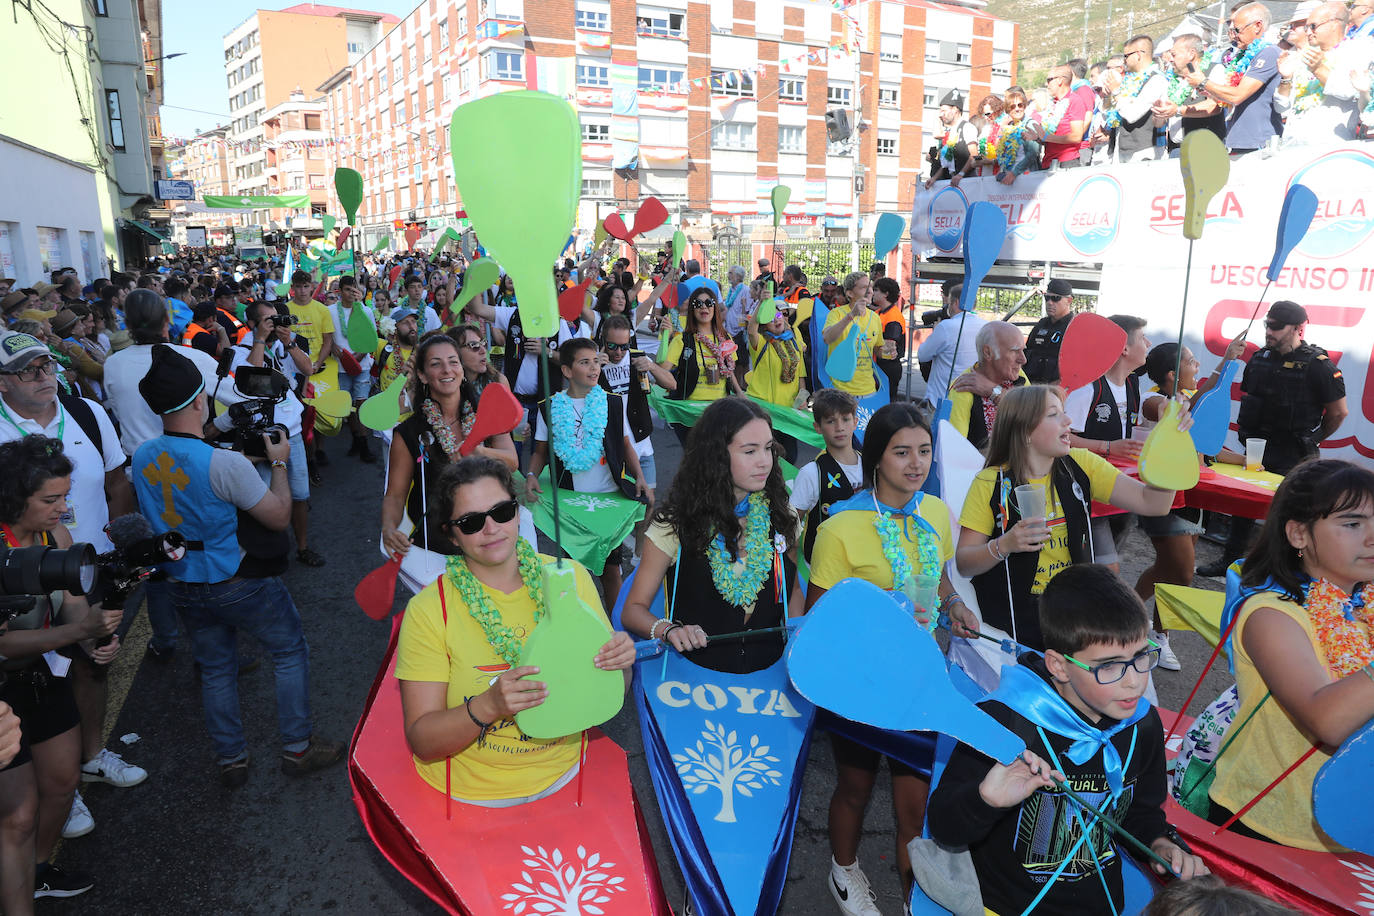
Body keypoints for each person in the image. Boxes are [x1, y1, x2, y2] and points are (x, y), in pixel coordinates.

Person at [928, 564, 1209, 914]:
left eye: (1140, 657)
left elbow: (1140, 812)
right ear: (1059, 666)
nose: (1135, 681)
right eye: (1110, 666)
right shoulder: (1007, 721)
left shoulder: (1141, 724)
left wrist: (1160, 843)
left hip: (1100, 905)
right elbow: (944, 827)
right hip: (1004, 907)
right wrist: (987, 798)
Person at [130, 345, 344, 787]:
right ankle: (297, 749)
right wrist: (279, 462)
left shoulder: (143, 456)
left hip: (183, 581)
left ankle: (231, 758)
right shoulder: (223, 463)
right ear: (198, 401)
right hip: (237, 578)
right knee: (288, 650)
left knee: (216, 668)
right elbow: (279, 517)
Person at [803, 404, 979, 912]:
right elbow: (819, 617)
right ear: (875, 458)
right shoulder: (840, 528)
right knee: (854, 787)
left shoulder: (935, 514)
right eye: (901, 452)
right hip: (859, 683)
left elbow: (938, 577)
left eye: (924, 451)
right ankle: (844, 871)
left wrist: (953, 603)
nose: (916, 463)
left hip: (921, 680)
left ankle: (912, 901)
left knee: (914, 806)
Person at [395, 457, 635, 803]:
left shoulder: (570, 579)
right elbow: (423, 741)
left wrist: (619, 664)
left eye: (502, 512)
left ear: (518, 511)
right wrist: (489, 705)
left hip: (566, 776)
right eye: (471, 522)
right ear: (451, 535)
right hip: (471, 794)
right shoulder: (430, 611)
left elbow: (610, 692)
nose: (491, 528)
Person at [1207, 460, 1374, 849]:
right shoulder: (1272, 614)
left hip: (1357, 826)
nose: (1372, 537)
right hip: (1272, 826)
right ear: (1299, 534)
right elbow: (1328, 721)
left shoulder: (1365, 603)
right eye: (1353, 524)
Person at [956, 385, 1185, 654]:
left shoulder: (1082, 465)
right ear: (1025, 431)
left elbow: (1154, 503)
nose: (1069, 421)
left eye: (1064, 412)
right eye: (1054, 414)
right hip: (1013, 616)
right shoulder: (991, 482)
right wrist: (1004, 544)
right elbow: (964, 562)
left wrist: (1172, 441)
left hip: (1071, 606)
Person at [0, 437, 123, 907]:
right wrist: (78, 636)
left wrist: (93, 640)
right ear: (14, 499)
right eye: (51, 500)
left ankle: (35, 872)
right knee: (16, 816)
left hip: (42, 679)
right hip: (6, 689)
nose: (64, 508)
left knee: (61, 783)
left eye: (65, 496)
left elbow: (74, 609)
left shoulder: (57, 538)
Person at [622, 397, 799, 673]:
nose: (764, 461)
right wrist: (668, 630)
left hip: (770, 681)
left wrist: (796, 642)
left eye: (768, 449)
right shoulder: (675, 523)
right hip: (697, 682)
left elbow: (793, 589)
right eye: (750, 451)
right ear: (716, 455)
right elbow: (633, 609)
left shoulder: (781, 512)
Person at [1200, 300, 1347, 575]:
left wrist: (1314, 439)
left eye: (1277, 327)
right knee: (1244, 507)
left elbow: (1339, 413)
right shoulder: (1260, 358)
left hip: (1294, 453)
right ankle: (1229, 562)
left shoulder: (1318, 365)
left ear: (1299, 328)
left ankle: (1286, 573)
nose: (1270, 331)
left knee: (1291, 515)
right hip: (1257, 448)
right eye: (1268, 325)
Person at [526, 338, 649, 607]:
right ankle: (577, 620)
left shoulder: (613, 403)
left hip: (608, 501)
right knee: (571, 569)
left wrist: (639, 476)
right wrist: (532, 476)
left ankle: (614, 625)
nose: (594, 368)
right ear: (567, 371)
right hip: (570, 504)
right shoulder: (549, 407)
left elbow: (626, 443)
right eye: (585, 363)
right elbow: (540, 451)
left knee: (611, 569)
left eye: (596, 361)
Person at [382, 334, 519, 557]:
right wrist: (389, 528)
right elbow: (395, 495)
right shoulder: (408, 432)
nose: (447, 370)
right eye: (436, 364)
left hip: (494, 533)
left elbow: (512, 461)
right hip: (438, 543)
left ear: (462, 370)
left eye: (453, 362)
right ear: (422, 376)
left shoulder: (487, 412)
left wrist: (480, 452)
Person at [233, 300, 326, 568]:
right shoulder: (241, 349)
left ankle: (303, 547)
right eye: (269, 320)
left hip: (291, 430)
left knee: (299, 494)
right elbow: (253, 381)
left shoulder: (286, 342)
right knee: (264, 496)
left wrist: (289, 343)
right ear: (253, 324)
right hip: (260, 434)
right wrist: (260, 340)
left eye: (277, 318)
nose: (276, 324)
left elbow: (308, 369)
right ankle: (269, 551)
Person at [1064, 314, 1151, 572]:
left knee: (1098, 566)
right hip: (1088, 491)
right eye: (1142, 338)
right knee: (1107, 569)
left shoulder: (1132, 384)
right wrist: (1108, 447)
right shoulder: (1087, 389)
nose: (1147, 343)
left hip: (1121, 488)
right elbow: (1062, 438)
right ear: (1123, 348)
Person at [596, 315, 671, 508]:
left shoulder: (637, 358)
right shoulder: (594, 364)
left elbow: (672, 384)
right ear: (603, 340)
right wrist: (594, 368)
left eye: (624, 346)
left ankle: (639, 539)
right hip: (612, 450)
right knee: (618, 511)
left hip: (641, 444)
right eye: (612, 346)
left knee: (647, 504)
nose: (619, 352)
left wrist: (652, 366)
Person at [1188, 2, 1284, 153]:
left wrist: (1204, 82)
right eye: (1231, 29)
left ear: (1257, 26)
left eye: (1237, 30)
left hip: (1257, 143)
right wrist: (1214, 92)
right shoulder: (1243, 55)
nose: (1234, 34)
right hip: (1239, 140)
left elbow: (1238, 96)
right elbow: (1235, 96)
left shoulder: (1269, 52)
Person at [1277, 3, 1371, 144]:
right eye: (1307, 27)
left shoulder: (1357, 50)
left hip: (1331, 147)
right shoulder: (1302, 56)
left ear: (1334, 23)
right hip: (1293, 143)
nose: (1308, 32)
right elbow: (1281, 108)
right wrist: (1285, 79)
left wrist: (1318, 69)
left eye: (1313, 26)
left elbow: (1349, 92)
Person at [790, 389, 860, 566]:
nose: (839, 427)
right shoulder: (812, 473)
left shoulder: (873, 466)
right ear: (817, 427)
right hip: (824, 566)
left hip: (863, 561)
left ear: (856, 422)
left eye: (845, 419)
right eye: (830, 421)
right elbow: (791, 523)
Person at [660, 285, 739, 429]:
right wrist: (666, 338)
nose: (704, 307)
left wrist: (740, 393)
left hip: (719, 410)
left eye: (709, 303)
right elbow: (662, 370)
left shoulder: (725, 339)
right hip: (689, 412)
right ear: (692, 309)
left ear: (715, 308)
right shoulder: (682, 340)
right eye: (698, 304)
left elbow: (730, 370)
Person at [946, 321, 1028, 452]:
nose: (1023, 359)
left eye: (1023, 350)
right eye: (1014, 351)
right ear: (988, 352)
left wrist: (993, 391)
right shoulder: (963, 388)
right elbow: (956, 451)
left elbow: (1037, 417)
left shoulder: (1018, 376)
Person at [329, 275, 378, 463]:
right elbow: (328, 337)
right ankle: (356, 441)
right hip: (341, 367)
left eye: (354, 289)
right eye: (347, 289)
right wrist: (333, 348)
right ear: (339, 291)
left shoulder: (365, 311)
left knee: (361, 404)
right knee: (348, 407)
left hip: (362, 365)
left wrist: (358, 356)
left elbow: (371, 337)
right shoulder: (331, 311)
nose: (351, 293)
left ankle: (364, 445)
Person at [917, 280, 985, 408]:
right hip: (972, 400)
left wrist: (936, 331)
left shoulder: (946, 327)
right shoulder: (986, 326)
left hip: (943, 400)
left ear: (957, 302)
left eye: (949, 303)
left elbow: (923, 355)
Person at [1153, 33, 1230, 147]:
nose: (1171, 60)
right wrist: (1160, 113)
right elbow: (1159, 123)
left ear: (1191, 54)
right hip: (1176, 148)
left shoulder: (1214, 70)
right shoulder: (1173, 80)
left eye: (1174, 55)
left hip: (1205, 146)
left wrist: (1178, 110)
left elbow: (1214, 106)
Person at [820, 272, 884, 400]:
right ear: (850, 293)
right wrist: (851, 315)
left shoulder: (875, 317)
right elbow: (827, 338)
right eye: (864, 288)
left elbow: (878, 350)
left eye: (870, 287)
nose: (870, 291)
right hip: (840, 391)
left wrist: (889, 351)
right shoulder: (836, 313)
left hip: (869, 391)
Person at [1105, 35, 1169, 162]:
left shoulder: (1156, 80)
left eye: (1126, 56)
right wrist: (1109, 94)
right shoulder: (1128, 80)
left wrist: (1117, 91)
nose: (1124, 61)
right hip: (1122, 147)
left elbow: (1132, 114)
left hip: (1144, 152)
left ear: (1138, 55)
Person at [1033, 63, 1093, 168]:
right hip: (1048, 161)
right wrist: (1038, 138)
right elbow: (1050, 137)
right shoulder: (1053, 103)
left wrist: (1047, 137)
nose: (1047, 84)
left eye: (1049, 80)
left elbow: (1076, 137)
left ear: (1060, 80)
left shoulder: (1075, 100)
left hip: (1066, 162)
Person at [1022, 279, 1074, 385]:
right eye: (1047, 298)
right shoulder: (1041, 324)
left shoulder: (1074, 328)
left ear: (1069, 300)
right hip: (1030, 385)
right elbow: (1025, 352)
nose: (1050, 302)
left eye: (1055, 298)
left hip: (1055, 389)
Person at [925, 90, 980, 187]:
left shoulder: (967, 127)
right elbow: (946, 164)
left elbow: (974, 155)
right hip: (954, 181)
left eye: (944, 111)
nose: (941, 115)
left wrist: (961, 174)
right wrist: (934, 178)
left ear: (955, 109)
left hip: (967, 182)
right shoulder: (952, 132)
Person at [870, 277, 905, 393]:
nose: (872, 293)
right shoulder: (878, 313)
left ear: (886, 294)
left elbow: (889, 351)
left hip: (887, 369)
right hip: (878, 366)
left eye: (876, 290)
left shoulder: (893, 317)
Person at [723, 265, 753, 386]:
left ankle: (743, 385)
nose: (728, 275)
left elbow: (748, 311)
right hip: (729, 329)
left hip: (740, 330)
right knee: (732, 359)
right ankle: (734, 384)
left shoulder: (745, 290)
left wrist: (742, 327)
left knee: (741, 360)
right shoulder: (731, 290)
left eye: (731, 273)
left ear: (738, 276)